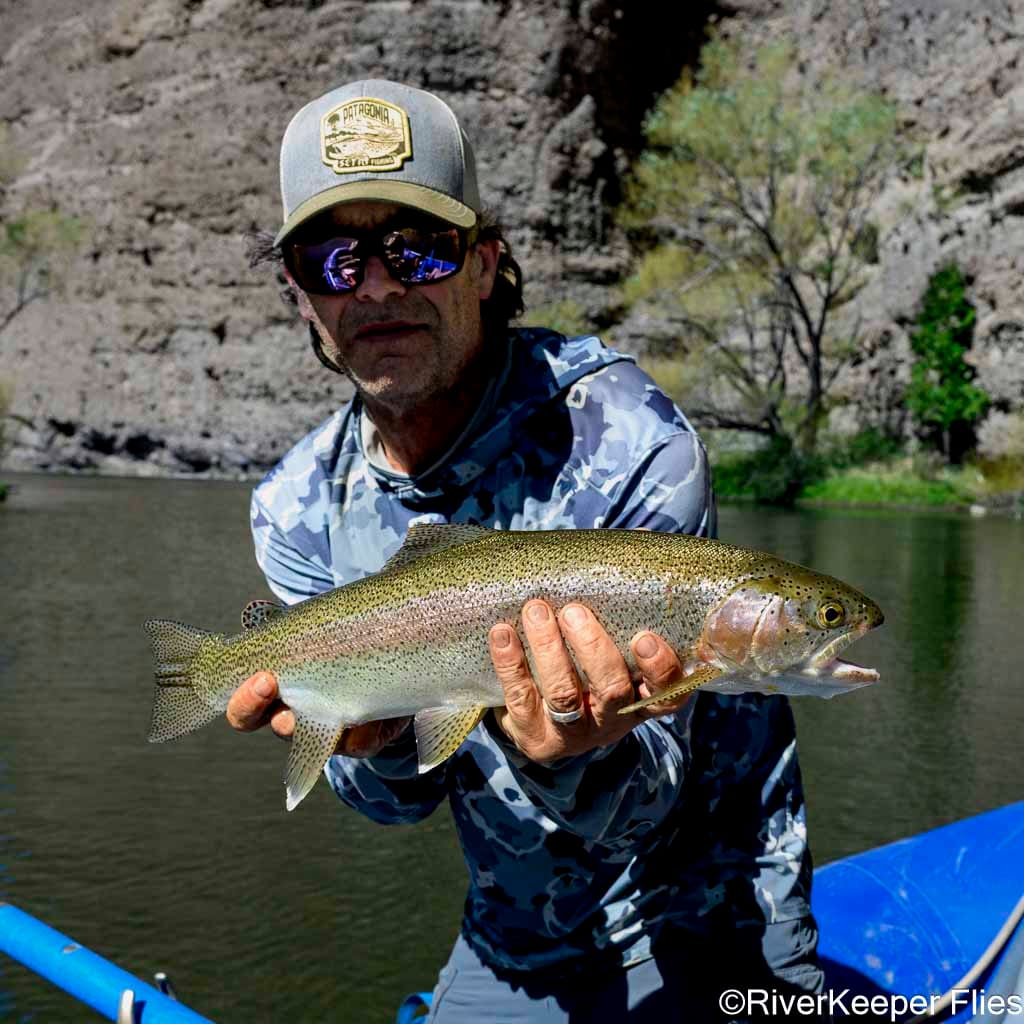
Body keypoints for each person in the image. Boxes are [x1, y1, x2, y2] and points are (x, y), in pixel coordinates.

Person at [228, 79, 823, 1022]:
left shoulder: (629, 439)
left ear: (483, 263)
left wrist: (573, 755)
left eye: (415, 247)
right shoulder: (297, 510)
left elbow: (656, 800)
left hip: (713, 915)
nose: (377, 285)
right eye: (333, 258)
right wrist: (373, 747)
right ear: (299, 292)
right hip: (519, 935)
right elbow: (392, 808)